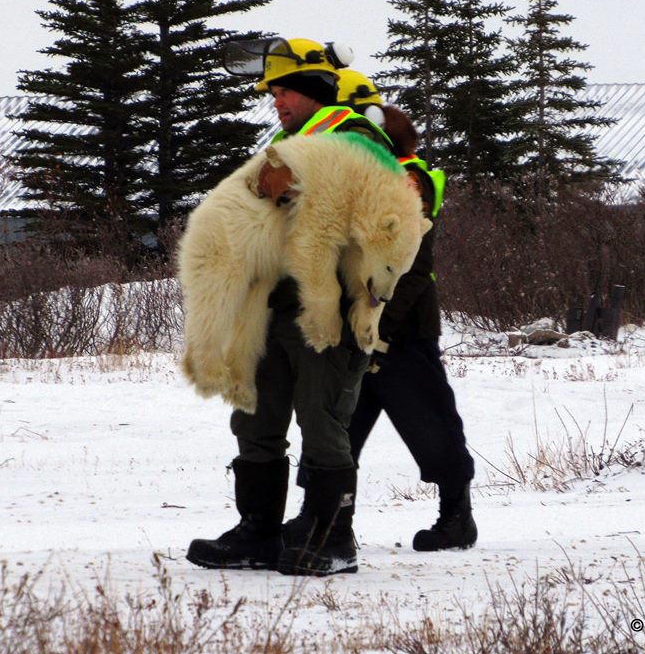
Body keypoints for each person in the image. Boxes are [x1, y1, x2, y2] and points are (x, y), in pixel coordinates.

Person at [186, 38, 393, 576]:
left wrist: (293, 191)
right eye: (272, 93)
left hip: (329, 310)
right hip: (273, 307)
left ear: (311, 89)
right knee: (254, 416)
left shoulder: (358, 136)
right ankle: (259, 532)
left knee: (323, 421)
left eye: (283, 91)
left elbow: (368, 214)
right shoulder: (287, 143)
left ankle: (332, 539)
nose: (275, 101)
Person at [335, 69, 478, 551]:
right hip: (358, 326)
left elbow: (413, 266)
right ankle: (331, 521)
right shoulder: (366, 179)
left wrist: (382, 326)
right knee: (336, 430)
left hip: (404, 328)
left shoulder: (408, 180)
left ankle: (457, 518)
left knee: (431, 423)